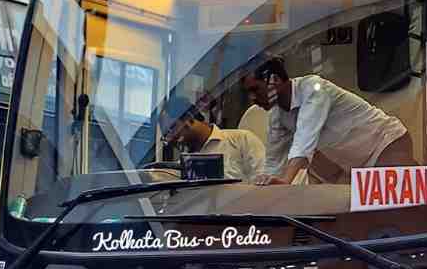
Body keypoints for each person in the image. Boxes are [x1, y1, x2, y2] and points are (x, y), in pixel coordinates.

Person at [248, 56, 413, 185]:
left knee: (406, 209)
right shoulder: (277, 115)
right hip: (354, 164)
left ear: (274, 80)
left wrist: (285, 181)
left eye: (255, 89)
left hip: (386, 144)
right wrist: (266, 183)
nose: (252, 98)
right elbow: (274, 161)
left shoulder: (313, 88)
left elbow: (305, 138)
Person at [160, 95, 265, 183]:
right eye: (167, 135)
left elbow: (263, 183)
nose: (171, 138)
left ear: (188, 117)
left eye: (172, 129)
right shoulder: (183, 165)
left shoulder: (241, 140)